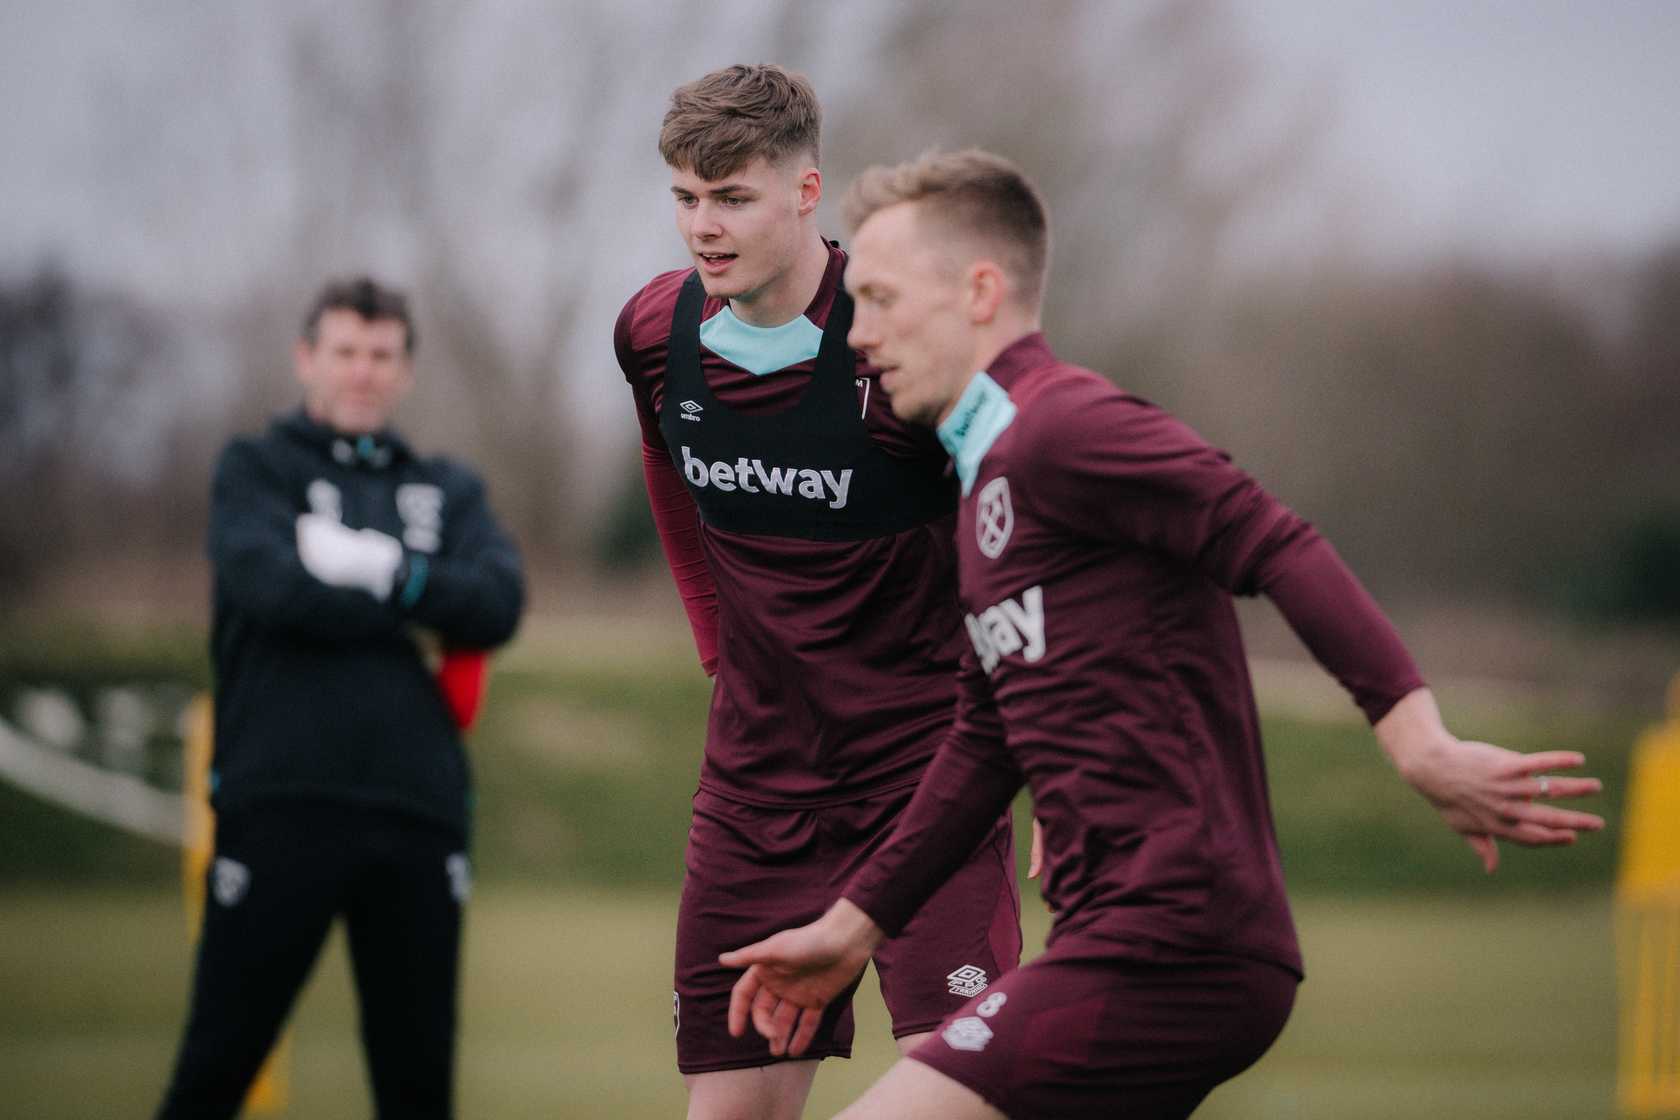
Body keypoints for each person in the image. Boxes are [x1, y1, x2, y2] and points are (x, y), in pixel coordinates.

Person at [720, 150, 1607, 1119]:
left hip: (1176, 938)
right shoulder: (985, 489)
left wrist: (1418, 739)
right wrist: (853, 929)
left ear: (979, 290)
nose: (861, 334)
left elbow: (1273, 539)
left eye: (883, 300)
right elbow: (985, 743)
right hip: (1126, 937)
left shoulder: (1065, 428)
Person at [614, 66, 1022, 1120]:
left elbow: (1029, 534)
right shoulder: (656, 335)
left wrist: (1050, 742)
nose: (703, 227)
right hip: (756, 795)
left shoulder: (901, 348)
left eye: (733, 197)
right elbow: (667, 463)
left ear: (805, 194)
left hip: (924, 778)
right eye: (685, 198)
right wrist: (715, 637)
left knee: (967, 1091)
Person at [153, 276, 525, 1119]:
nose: (363, 372)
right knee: (216, 1068)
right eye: (346, 352)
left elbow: (499, 604)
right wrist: (424, 605)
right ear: (307, 359)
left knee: (417, 1087)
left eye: (382, 355)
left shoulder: (447, 489)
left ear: (406, 370)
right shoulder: (256, 470)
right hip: (281, 801)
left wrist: (375, 566)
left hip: (417, 812)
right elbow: (273, 589)